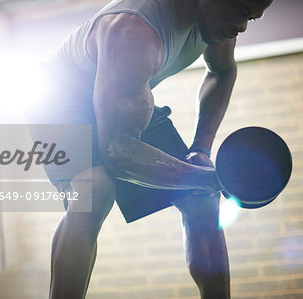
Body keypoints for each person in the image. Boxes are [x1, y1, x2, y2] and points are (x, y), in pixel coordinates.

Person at [27, 0, 273, 298]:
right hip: (59, 101)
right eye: (239, 11)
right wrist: (212, 178)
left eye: (251, 17)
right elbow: (117, 153)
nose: (242, 26)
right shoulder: (134, 31)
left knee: (201, 197)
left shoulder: (219, 21)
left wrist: (201, 151)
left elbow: (222, 72)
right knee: (94, 191)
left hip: (123, 100)